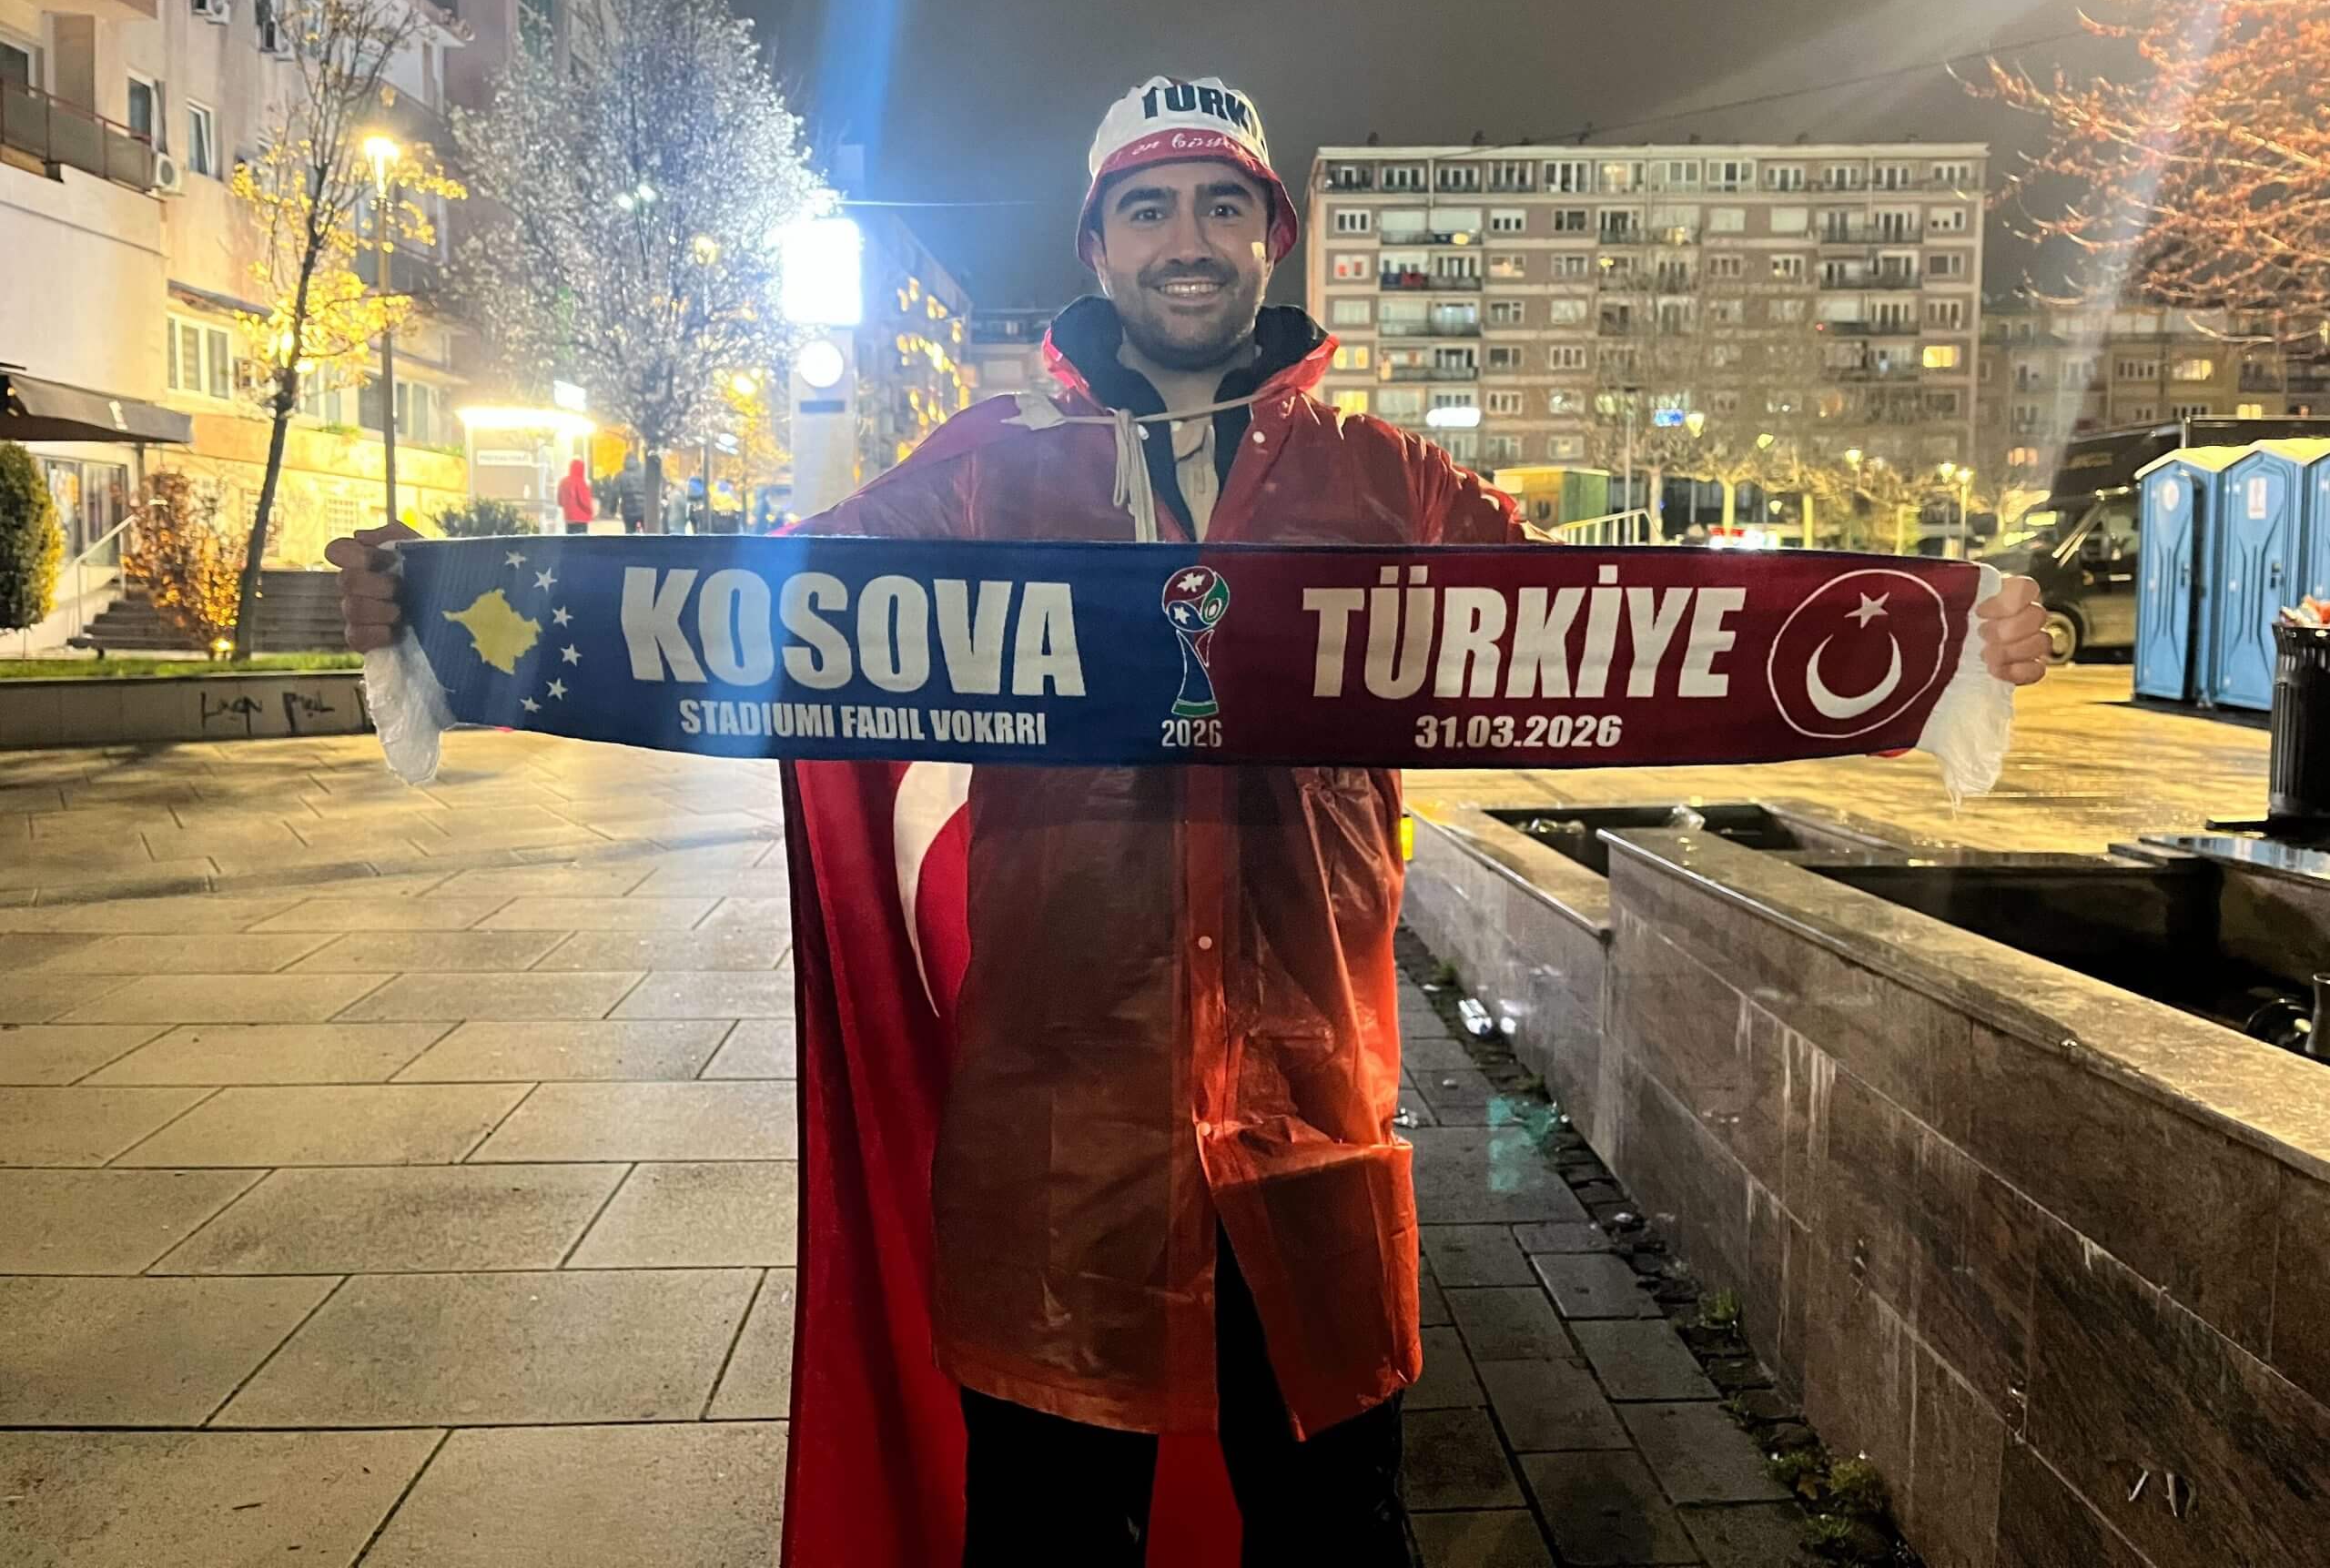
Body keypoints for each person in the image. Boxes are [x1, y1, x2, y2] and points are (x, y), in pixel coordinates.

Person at [329, 76, 2051, 1566]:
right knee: (1052, 1540)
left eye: (1222, 206)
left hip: (1310, 1118)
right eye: (1148, 209)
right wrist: (454, 606)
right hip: (1058, 1130)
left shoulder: (1396, 484)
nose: (1186, 241)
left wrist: (1934, 634)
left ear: (1270, 240)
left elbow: (1634, 634)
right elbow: (751, 604)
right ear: (1097, 249)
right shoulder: (985, 471)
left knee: (1333, 1537)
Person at [556, 457, 594, 534]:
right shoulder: (581, 482)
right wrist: (590, 511)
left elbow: (560, 502)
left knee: (570, 540)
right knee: (581, 542)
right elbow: (584, 501)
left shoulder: (563, 482)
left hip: (568, 518)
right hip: (581, 518)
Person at [613, 451, 646, 533]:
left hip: (628, 510)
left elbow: (615, 493)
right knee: (648, 534)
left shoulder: (620, 475)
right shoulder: (645, 473)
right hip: (644, 510)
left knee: (629, 533)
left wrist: (612, 509)